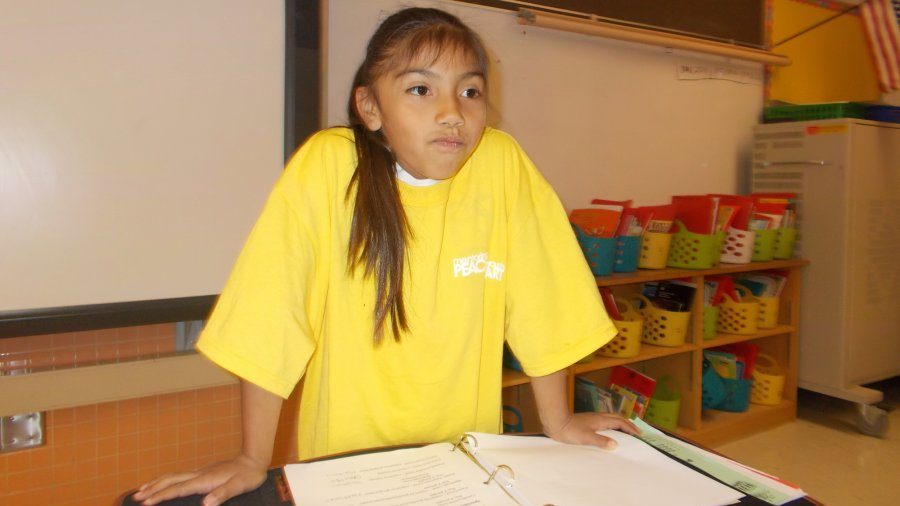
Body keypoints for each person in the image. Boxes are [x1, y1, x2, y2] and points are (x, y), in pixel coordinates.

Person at [134, 7, 638, 506]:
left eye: (470, 91)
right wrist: (250, 458)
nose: (452, 112)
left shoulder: (501, 165)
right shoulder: (330, 166)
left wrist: (560, 422)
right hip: (348, 470)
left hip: (463, 465)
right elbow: (272, 310)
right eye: (422, 89)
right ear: (370, 107)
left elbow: (542, 297)